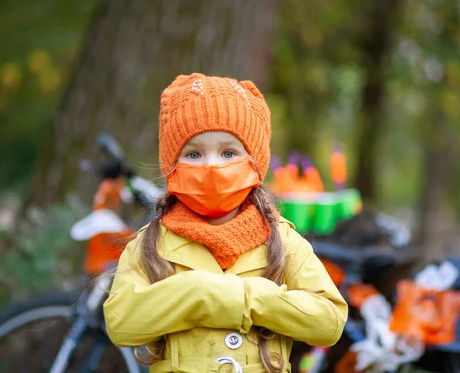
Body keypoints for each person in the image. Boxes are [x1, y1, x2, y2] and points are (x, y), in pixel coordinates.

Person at [103, 73, 347, 373]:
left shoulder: (282, 240)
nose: (211, 165)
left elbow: (329, 322)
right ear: (171, 166)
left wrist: (244, 298)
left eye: (228, 152)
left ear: (255, 163)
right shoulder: (152, 242)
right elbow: (121, 322)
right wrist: (198, 292)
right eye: (194, 153)